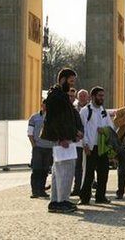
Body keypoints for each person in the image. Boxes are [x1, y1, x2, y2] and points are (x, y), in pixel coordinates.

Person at [40, 68, 84, 213]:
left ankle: (56, 200)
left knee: (59, 170)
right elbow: (55, 120)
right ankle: (61, 201)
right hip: (62, 139)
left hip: (66, 137)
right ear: (63, 79)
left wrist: (74, 133)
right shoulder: (57, 96)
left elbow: (66, 119)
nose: (72, 84)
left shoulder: (60, 95)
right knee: (65, 170)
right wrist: (61, 138)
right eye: (71, 81)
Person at [79, 86, 115, 205]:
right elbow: (81, 128)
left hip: (102, 147)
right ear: (93, 96)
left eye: (103, 96)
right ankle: (84, 198)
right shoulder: (85, 111)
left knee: (103, 173)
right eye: (99, 96)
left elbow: (111, 127)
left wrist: (104, 130)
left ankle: (100, 197)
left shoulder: (103, 110)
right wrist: (85, 144)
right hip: (90, 147)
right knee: (88, 174)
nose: (102, 98)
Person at [27, 100, 54, 199]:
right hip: (38, 148)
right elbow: (30, 133)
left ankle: (41, 189)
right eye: (45, 104)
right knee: (36, 170)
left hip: (49, 148)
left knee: (45, 170)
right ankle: (35, 191)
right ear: (41, 105)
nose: (47, 106)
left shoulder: (53, 118)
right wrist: (34, 145)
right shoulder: (34, 118)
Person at [71, 88, 90, 196]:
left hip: (89, 141)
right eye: (81, 96)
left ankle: (86, 187)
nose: (82, 97)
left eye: (84, 96)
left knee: (88, 167)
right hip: (77, 142)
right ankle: (77, 188)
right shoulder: (73, 108)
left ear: (87, 97)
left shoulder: (91, 108)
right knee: (77, 166)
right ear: (78, 97)